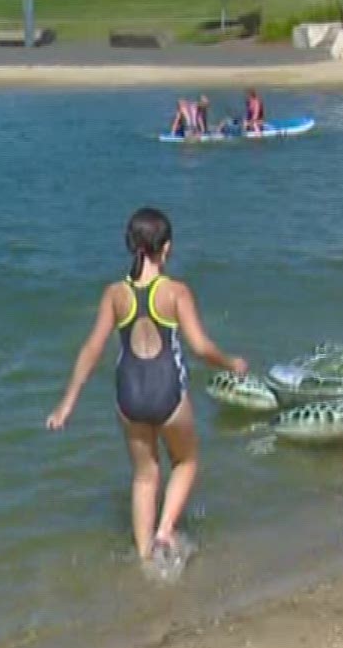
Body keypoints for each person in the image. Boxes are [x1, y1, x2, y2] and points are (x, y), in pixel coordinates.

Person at [45, 207, 247, 568]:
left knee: (143, 477)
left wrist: (66, 405)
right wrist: (231, 363)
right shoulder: (175, 292)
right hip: (168, 393)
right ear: (166, 248)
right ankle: (164, 532)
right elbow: (200, 347)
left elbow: (91, 349)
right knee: (185, 461)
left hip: (129, 397)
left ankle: (144, 564)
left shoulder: (114, 294)